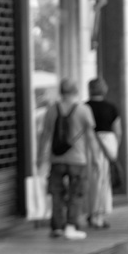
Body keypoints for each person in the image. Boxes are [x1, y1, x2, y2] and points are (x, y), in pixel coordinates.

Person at [37, 77, 97, 240]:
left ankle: (57, 227)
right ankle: (71, 226)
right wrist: (96, 158)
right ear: (76, 91)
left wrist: (39, 157)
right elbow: (90, 137)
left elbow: (45, 135)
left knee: (56, 194)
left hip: (56, 159)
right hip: (78, 159)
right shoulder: (83, 110)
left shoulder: (51, 110)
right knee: (76, 193)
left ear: (61, 92)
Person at [85, 77, 122, 228]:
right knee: (103, 182)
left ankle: (89, 213)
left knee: (89, 180)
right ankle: (98, 216)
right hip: (107, 145)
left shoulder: (84, 107)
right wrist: (114, 150)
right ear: (104, 90)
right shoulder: (111, 108)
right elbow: (118, 131)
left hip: (88, 145)